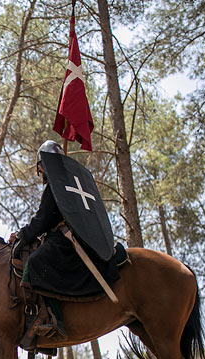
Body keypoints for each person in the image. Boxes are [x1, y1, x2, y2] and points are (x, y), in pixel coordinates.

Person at [11, 140, 122, 341]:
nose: (41, 169)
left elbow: (44, 219)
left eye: (41, 164)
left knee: (36, 264)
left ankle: (52, 318)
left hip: (67, 241)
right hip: (74, 238)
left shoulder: (55, 185)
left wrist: (22, 235)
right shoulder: (66, 184)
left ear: (42, 164)